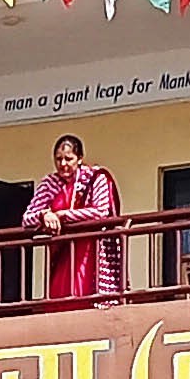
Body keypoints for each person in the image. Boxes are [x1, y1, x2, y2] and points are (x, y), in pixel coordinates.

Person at [24, 129, 125, 304]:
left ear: (79, 159)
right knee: (63, 302)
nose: (63, 164)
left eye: (68, 158)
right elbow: (27, 219)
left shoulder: (95, 177)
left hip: (92, 252)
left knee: (90, 299)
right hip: (64, 254)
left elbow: (101, 211)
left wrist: (63, 215)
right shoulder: (50, 183)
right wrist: (44, 215)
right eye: (58, 159)